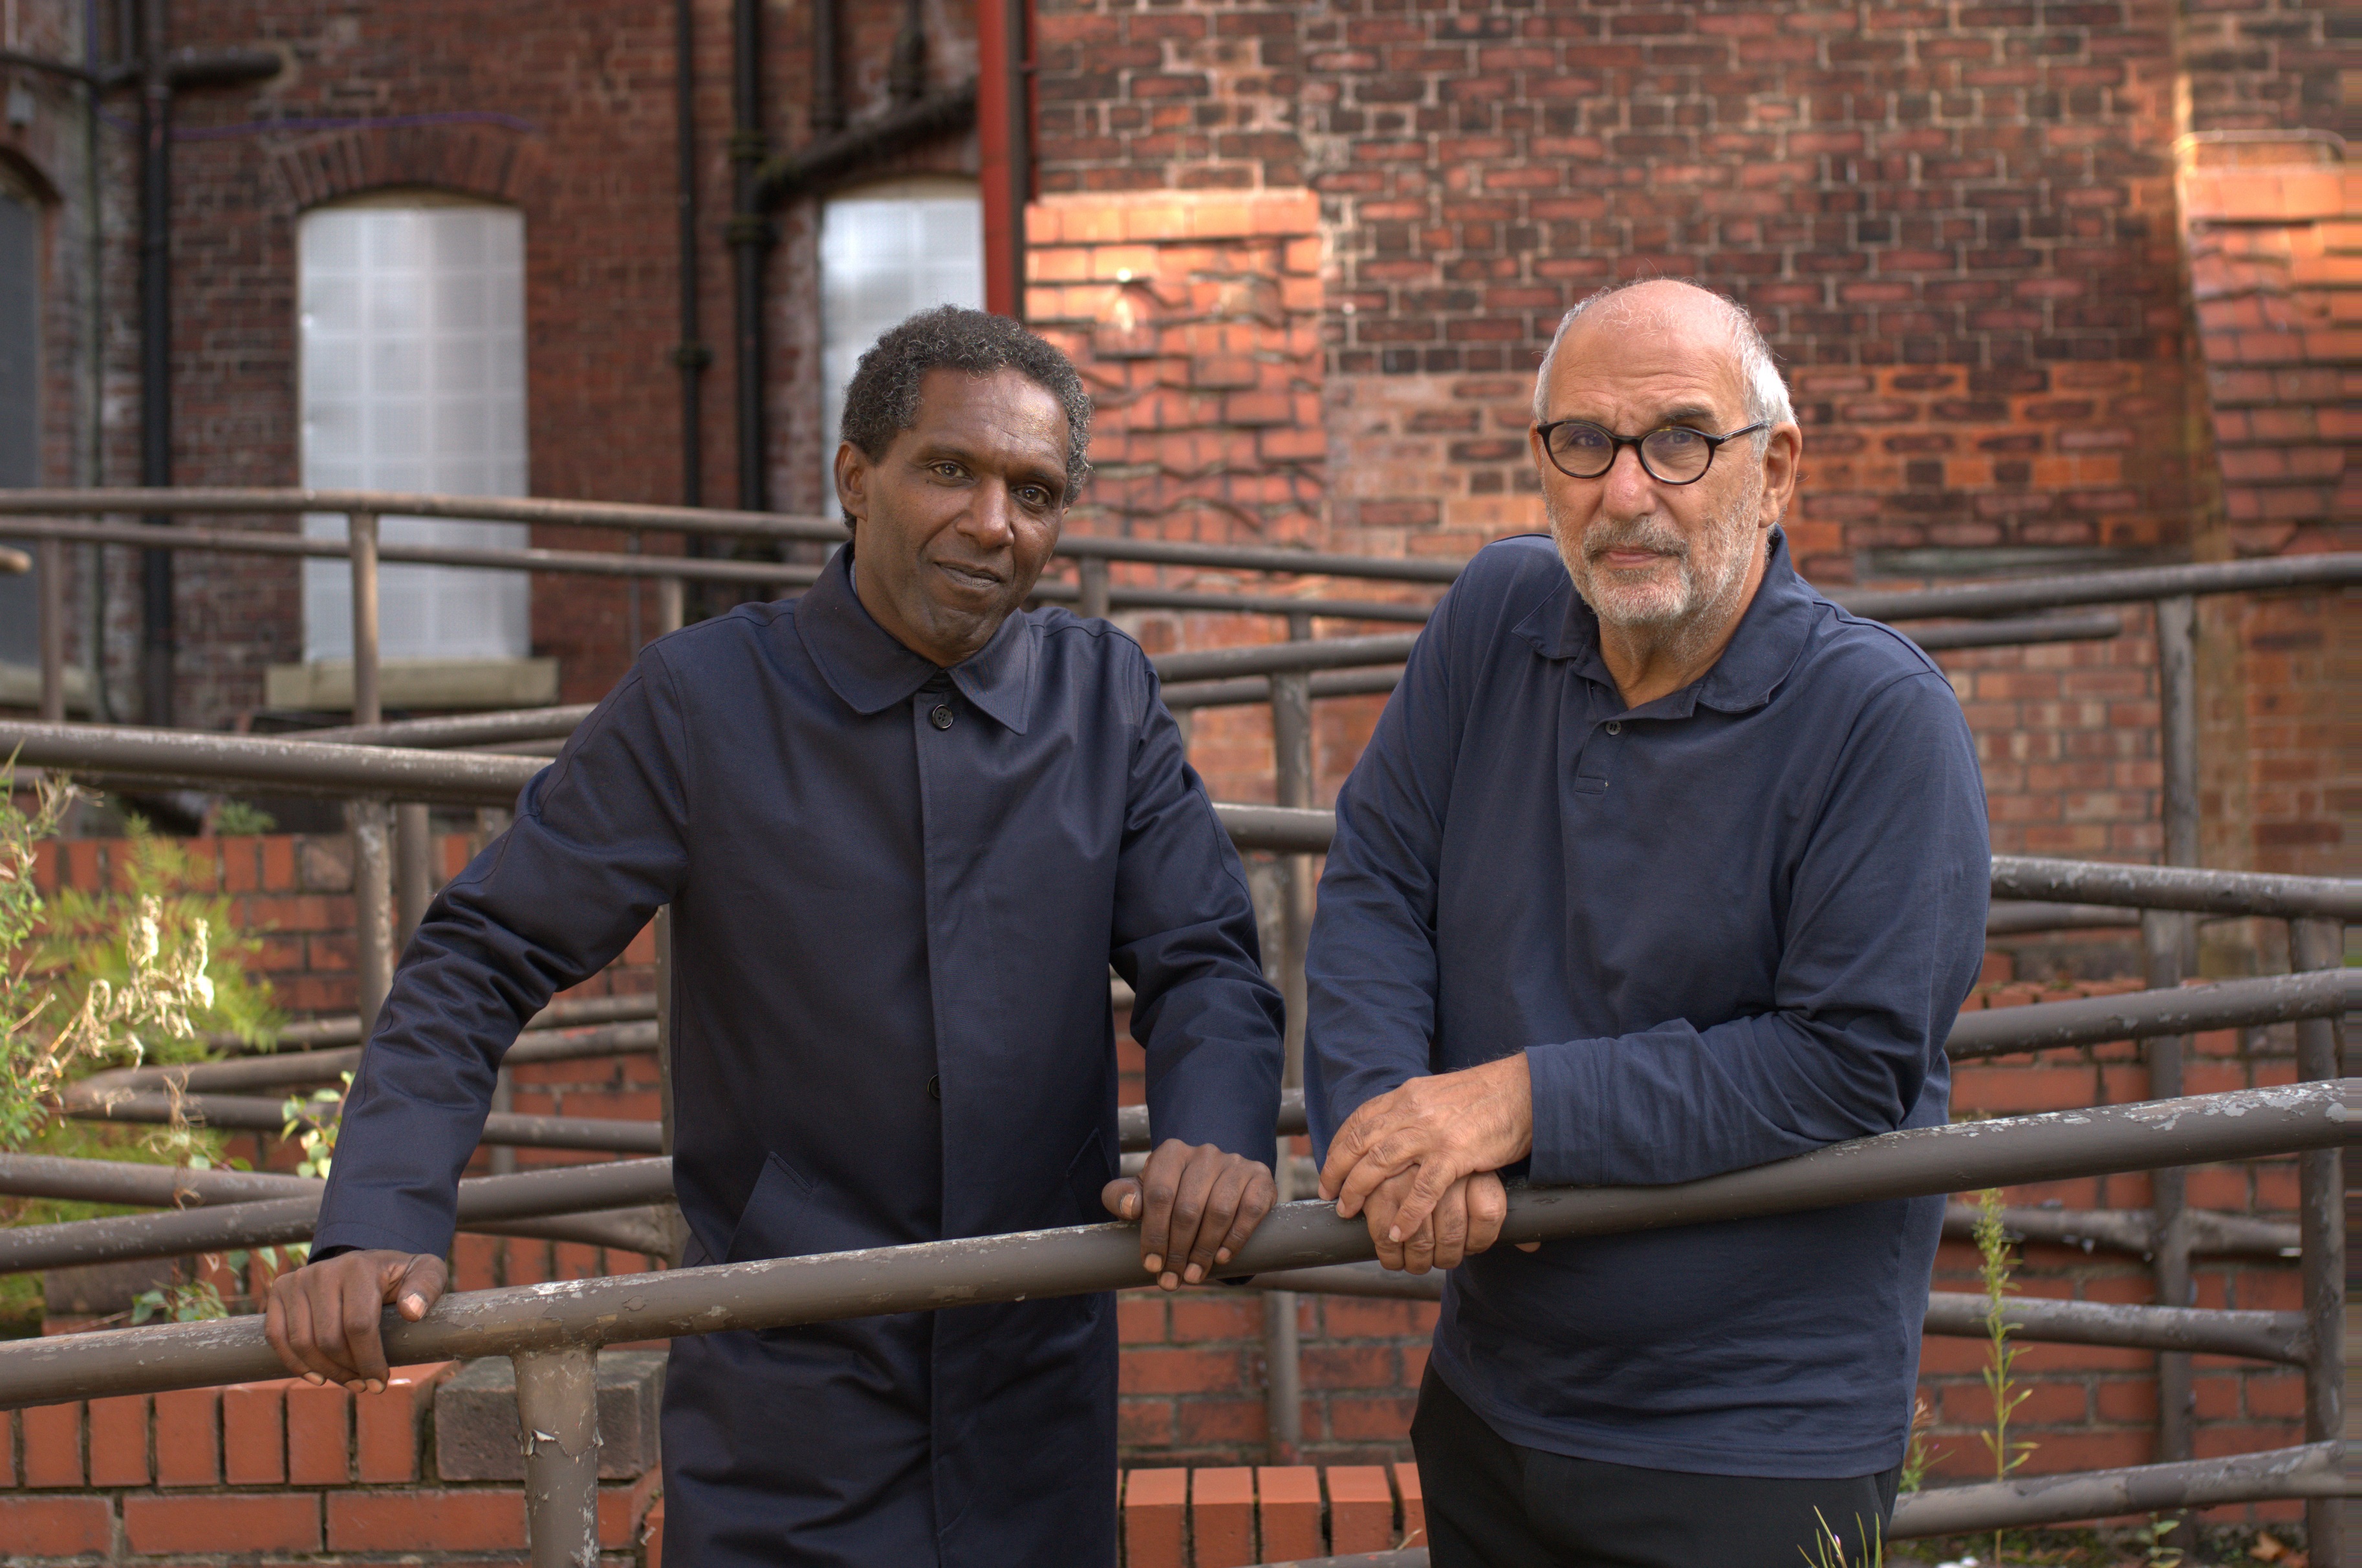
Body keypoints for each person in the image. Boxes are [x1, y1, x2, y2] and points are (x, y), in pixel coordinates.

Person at [263, 306, 1286, 1567]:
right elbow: (482, 954)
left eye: (1033, 490)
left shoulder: (1106, 694)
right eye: (949, 470)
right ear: (855, 478)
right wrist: (378, 1214)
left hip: (1036, 1407)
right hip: (781, 1406)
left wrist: (1217, 1136)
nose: (992, 523)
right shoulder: (702, 699)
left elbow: (1204, 960)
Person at [1305, 278, 1989, 1567]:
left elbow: (1844, 1062)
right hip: (1485, 1395)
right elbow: (1379, 880)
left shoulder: (1880, 720)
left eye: (1678, 440)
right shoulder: (1493, 617)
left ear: (1773, 469)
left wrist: (1510, 1106)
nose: (1622, 494)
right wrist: (1381, 1121)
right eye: (1581, 444)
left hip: (1744, 1441)